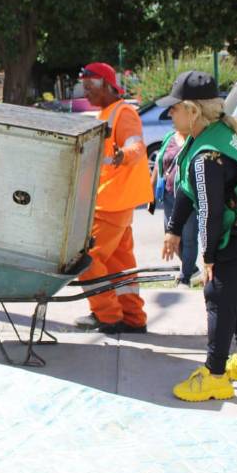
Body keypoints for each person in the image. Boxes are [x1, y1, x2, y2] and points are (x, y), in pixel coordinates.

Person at [157, 71, 237, 401]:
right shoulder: (209, 137)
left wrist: (208, 257)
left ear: (193, 111)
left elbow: (212, 213)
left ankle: (215, 377)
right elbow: (187, 191)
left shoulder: (207, 157)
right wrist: (173, 230)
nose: (169, 114)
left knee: (218, 293)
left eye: (175, 108)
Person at [74, 62, 154, 334]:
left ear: (108, 85)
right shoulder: (106, 114)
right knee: (120, 264)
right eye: (83, 88)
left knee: (86, 258)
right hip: (114, 202)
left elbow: (136, 144)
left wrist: (125, 155)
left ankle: (107, 315)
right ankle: (133, 317)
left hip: (110, 204)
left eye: (90, 87)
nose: (86, 93)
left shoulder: (123, 113)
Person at [150, 128, 201, 285]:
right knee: (171, 236)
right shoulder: (169, 137)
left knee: (188, 238)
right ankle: (191, 269)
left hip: (187, 198)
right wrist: (150, 193)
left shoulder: (195, 139)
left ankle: (185, 277)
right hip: (167, 195)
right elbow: (159, 165)